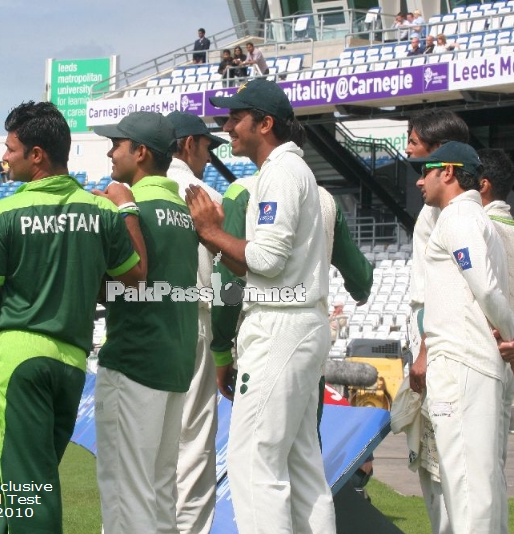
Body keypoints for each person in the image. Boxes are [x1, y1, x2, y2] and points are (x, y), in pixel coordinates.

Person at [0, 101, 146, 533]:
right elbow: (134, 279)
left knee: (27, 491)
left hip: (16, 364)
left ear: (37, 155)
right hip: (71, 364)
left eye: (11, 149)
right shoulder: (101, 212)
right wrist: (127, 211)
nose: (4, 157)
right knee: (12, 488)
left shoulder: (3, 214)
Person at [186, 78, 336, 533]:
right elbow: (256, 265)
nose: (227, 125)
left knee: (255, 465)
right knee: (302, 467)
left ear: (265, 123)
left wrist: (211, 231)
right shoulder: (291, 171)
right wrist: (218, 244)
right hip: (295, 323)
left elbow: (267, 260)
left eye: (236, 117)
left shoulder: (280, 173)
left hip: (280, 326)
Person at [93, 111, 199, 534]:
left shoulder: (127, 207)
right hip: (174, 363)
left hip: (134, 361)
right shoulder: (181, 207)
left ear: (139, 152)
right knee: (159, 494)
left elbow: (121, 286)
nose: (109, 150)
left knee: (125, 495)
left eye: (116, 143)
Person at [410, 141, 514, 534]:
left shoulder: (457, 218)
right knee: (482, 486)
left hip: (459, 366)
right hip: (472, 364)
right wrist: (513, 343)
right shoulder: (472, 218)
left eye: (426, 169)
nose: (418, 179)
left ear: (449, 172)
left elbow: (487, 289)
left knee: (466, 490)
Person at [404, 109, 470, 534]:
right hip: (431, 335)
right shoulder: (435, 209)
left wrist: (425, 351)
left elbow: (442, 290)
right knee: (433, 462)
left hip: (439, 342)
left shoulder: (448, 213)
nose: (407, 148)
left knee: (443, 462)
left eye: (415, 141)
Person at [165, 111, 226, 534]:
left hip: (140, 319)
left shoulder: (135, 190)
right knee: (193, 447)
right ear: (189, 144)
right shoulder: (205, 195)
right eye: (206, 147)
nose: (207, 157)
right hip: (194, 320)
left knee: (144, 447)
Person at [477, 147, 514, 534]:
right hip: (510, 356)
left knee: (474, 471)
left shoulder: (483, 228)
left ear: (482, 184)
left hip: (486, 354)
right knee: (493, 464)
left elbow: (485, 295)